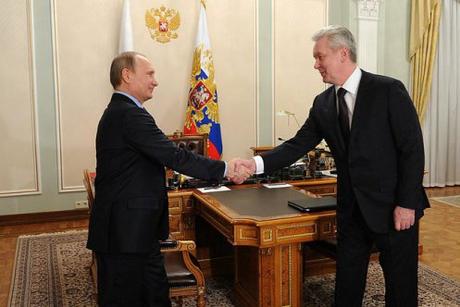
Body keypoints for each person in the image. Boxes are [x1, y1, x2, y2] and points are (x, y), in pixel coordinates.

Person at [236, 25, 429, 307]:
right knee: (347, 283)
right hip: (351, 209)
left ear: (342, 53)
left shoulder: (388, 90)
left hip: (393, 208)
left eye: (319, 56)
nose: (315, 64)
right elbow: (297, 144)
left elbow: (412, 150)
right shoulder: (323, 103)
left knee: (400, 287)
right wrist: (253, 164)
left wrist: (407, 203)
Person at [86, 51, 249, 306]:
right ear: (127, 75)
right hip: (126, 232)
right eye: (149, 74)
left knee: (152, 292)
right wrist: (225, 168)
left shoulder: (124, 111)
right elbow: (174, 156)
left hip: (133, 229)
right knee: (129, 297)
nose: (155, 81)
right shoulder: (128, 114)